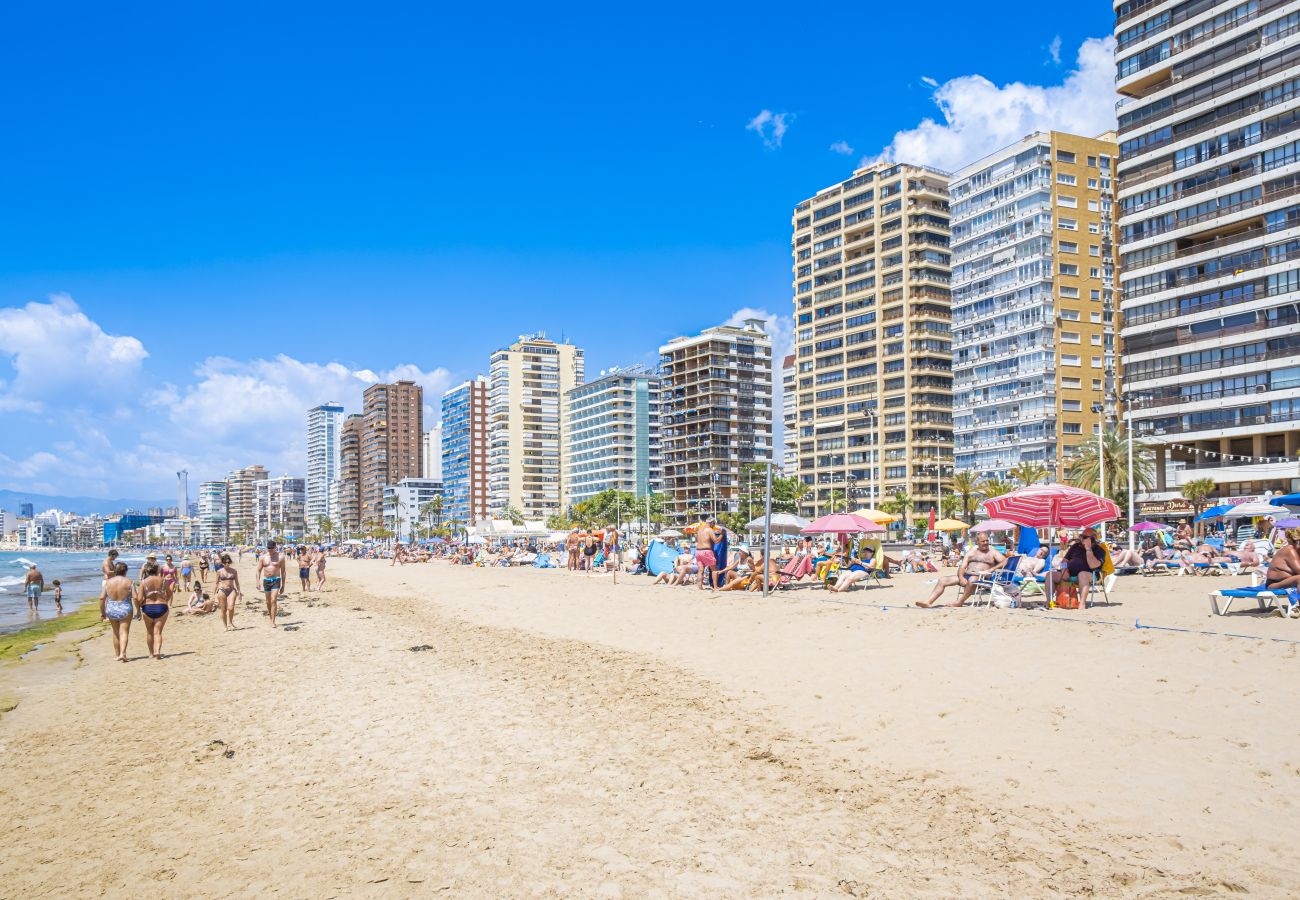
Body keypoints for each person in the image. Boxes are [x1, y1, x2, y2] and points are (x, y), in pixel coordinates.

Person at [915, 532, 1006, 608]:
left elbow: (1004, 561)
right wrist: (961, 577)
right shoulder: (972, 551)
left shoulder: (992, 552)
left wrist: (991, 569)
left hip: (982, 577)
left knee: (973, 579)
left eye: (987, 540)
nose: (986, 543)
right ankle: (929, 602)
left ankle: (960, 602)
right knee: (943, 580)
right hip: (966, 575)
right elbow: (962, 566)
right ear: (977, 542)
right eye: (983, 541)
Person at [1051, 526, 1107, 605]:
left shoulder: (1100, 550)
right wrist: (1064, 570)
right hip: (1069, 574)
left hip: (1090, 575)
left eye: (1084, 537)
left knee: (1082, 574)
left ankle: (1082, 603)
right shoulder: (1076, 546)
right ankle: (1048, 601)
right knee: (1050, 575)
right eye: (1081, 536)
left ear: (1093, 538)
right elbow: (1064, 561)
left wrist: (1089, 549)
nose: (1081, 539)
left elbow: (1093, 565)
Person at [136, 561, 172, 660]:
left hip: (147, 607)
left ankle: (151, 653)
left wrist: (139, 608)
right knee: (158, 632)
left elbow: (139, 598)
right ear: (157, 570)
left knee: (149, 632)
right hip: (161, 607)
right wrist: (166, 600)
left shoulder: (143, 582)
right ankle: (158, 652)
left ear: (147, 571)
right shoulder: (163, 580)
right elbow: (170, 593)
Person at [100, 561, 135, 662]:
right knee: (124, 632)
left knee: (115, 633)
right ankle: (123, 654)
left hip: (111, 609)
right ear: (126, 571)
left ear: (115, 570)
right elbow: (136, 597)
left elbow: (102, 598)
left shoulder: (107, 583)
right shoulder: (129, 582)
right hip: (125, 608)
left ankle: (117, 655)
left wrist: (102, 613)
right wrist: (138, 611)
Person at [255, 540, 286, 627]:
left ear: (275, 547)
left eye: (271, 548)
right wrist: (257, 582)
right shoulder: (263, 557)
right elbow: (258, 570)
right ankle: (270, 617)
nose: (270, 550)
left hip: (276, 580)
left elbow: (283, 571)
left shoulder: (281, 557)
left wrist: (283, 585)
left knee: (273, 600)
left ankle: (273, 621)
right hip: (266, 580)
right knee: (268, 601)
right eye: (268, 548)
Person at [214, 553, 241, 630]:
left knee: (231, 607)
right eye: (225, 562)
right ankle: (225, 626)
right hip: (222, 590)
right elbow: (216, 583)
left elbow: (237, 583)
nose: (227, 564)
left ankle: (230, 622)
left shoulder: (234, 571)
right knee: (223, 609)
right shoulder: (219, 571)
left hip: (232, 590)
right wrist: (214, 595)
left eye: (228, 562)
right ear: (222, 563)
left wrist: (239, 592)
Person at [694, 520, 718, 591]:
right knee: (714, 570)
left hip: (698, 551)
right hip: (706, 551)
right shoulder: (710, 530)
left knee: (700, 570)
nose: (714, 526)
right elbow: (715, 541)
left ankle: (700, 587)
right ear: (711, 523)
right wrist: (722, 535)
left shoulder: (699, 530)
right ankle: (716, 587)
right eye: (714, 524)